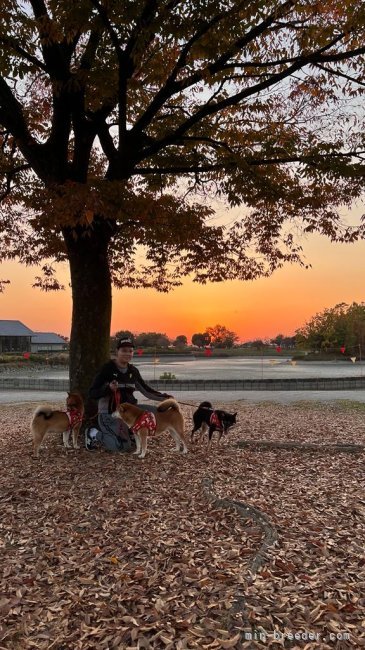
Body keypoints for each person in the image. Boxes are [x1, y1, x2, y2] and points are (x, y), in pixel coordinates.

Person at [85, 337, 172, 452]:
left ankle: (131, 431)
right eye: (124, 350)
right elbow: (92, 393)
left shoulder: (133, 371)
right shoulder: (107, 369)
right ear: (117, 351)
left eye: (130, 351)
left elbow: (146, 390)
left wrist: (165, 398)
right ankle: (93, 433)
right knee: (121, 447)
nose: (128, 353)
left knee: (159, 412)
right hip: (110, 413)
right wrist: (108, 389)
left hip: (131, 411)